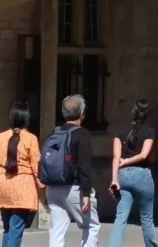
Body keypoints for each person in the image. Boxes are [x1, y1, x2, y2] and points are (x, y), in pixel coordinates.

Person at [45, 94, 100, 247]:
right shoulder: (82, 134)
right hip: (74, 188)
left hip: (53, 187)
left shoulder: (54, 132)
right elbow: (84, 165)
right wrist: (86, 192)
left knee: (56, 230)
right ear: (82, 113)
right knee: (91, 225)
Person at [108, 99, 156, 247]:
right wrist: (128, 161)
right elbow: (144, 155)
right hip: (142, 175)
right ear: (147, 114)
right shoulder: (148, 131)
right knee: (147, 218)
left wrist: (114, 179)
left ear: (133, 112)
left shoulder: (120, 131)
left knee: (121, 216)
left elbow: (116, 157)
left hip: (123, 176)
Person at [0, 103, 43, 247]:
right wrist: (41, 184)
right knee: (16, 230)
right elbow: (36, 166)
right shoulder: (30, 139)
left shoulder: (2, 137)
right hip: (22, 188)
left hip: (4, 186)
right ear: (26, 119)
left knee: (7, 229)